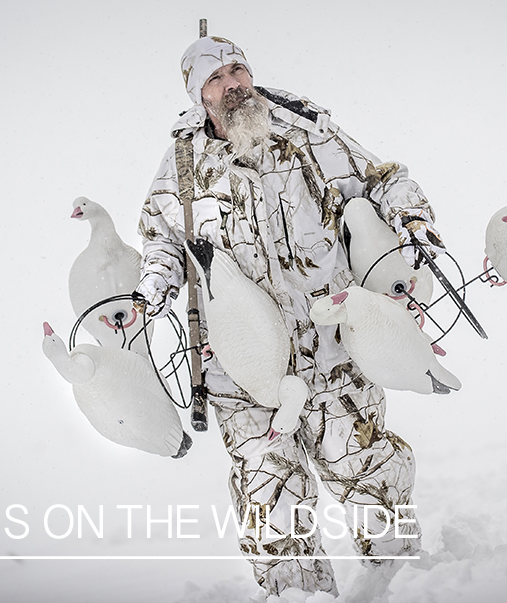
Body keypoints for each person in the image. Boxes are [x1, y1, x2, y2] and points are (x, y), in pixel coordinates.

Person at [134, 35, 445, 598]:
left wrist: (413, 221)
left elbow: (383, 181)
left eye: (238, 70)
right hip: (243, 370)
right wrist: (150, 292)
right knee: (271, 502)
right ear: (197, 94)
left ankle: (408, 585)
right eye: (216, 78)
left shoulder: (307, 134)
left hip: (334, 347)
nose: (233, 83)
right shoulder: (181, 167)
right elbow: (163, 244)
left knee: (369, 474)